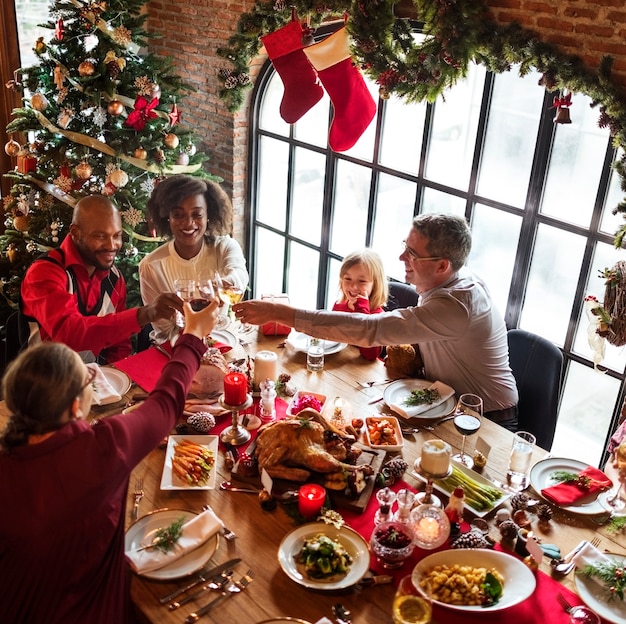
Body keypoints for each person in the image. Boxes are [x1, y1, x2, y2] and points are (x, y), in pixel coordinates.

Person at [0, 297, 219, 623]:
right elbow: (166, 401)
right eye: (88, 378)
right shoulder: (102, 448)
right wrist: (193, 337)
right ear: (76, 406)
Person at [234, 213, 519, 429]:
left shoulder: (457, 305)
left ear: (442, 265)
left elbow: (372, 329)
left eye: (412, 253)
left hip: (486, 417)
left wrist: (280, 312)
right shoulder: (445, 282)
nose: (401, 257)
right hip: (441, 400)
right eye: (404, 247)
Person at [20, 195, 182, 364]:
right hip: (42, 381)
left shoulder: (115, 278)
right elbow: (69, 333)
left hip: (92, 380)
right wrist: (144, 314)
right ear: (75, 232)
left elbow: (119, 346)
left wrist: (114, 377)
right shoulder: (44, 272)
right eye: (100, 236)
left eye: (117, 236)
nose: (112, 246)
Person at [139, 174, 249, 343]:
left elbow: (240, 276)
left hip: (221, 344)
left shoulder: (225, 247)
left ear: (208, 215)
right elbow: (164, 332)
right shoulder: (151, 266)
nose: (189, 223)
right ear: (167, 217)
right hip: (176, 350)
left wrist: (222, 285)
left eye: (197, 214)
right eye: (178, 215)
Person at [332, 248, 388, 360]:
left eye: (362, 281)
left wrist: (362, 311)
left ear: (375, 284)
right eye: (348, 278)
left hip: (366, 372)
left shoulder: (379, 316)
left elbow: (370, 355)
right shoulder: (339, 306)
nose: (353, 286)